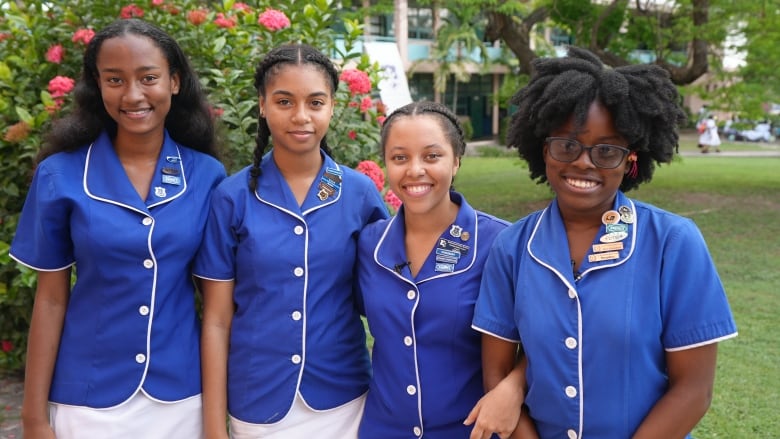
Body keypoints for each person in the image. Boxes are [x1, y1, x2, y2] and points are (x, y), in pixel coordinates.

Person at [470, 47, 737, 439]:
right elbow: (497, 372)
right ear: (543, 150)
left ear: (631, 160)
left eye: (607, 150)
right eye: (567, 145)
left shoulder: (674, 244)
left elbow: (694, 390)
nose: (583, 162)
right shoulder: (512, 248)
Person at [10, 18, 226, 439]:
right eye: (114, 79)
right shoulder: (60, 175)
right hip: (86, 398)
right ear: (97, 85)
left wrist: (217, 418)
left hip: (182, 396)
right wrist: (34, 418)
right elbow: (51, 300)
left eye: (149, 78)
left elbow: (216, 306)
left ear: (175, 82)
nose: (133, 95)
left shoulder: (207, 176)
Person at [196, 43, 389, 439]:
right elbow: (216, 321)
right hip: (258, 398)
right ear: (263, 106)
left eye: (315, 102)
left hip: (345, 398)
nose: (301, 116)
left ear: (332, 107)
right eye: (285, 101)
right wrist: (215, 429)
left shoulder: (358, 193)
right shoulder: (231, 198)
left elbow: (385, 301)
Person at [354, 101, 515, 438]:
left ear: (456, 160)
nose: (414, 170)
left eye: (431, 156)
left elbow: (545, 336)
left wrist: (514, 386)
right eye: (400, 158)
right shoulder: (369, 244)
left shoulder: (500, 242)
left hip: (470, 430)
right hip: (384, 428)